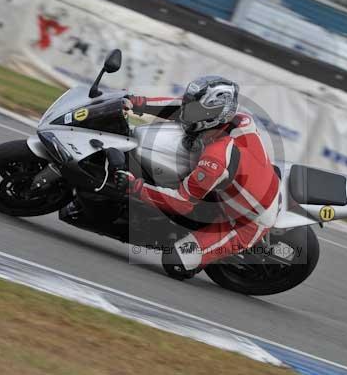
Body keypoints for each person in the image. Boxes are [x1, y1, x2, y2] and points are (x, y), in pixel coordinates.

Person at [118, 76, 280, 278]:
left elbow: (182, 203)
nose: (186, 113)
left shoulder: (216, 158)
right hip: (241, 186)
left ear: (214, 115)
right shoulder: (238, 119)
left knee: (175, 262)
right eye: (190, 105)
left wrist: (133, 186)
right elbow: (177, 106)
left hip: (245, 221)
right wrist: (136, 102)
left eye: (194, 110)